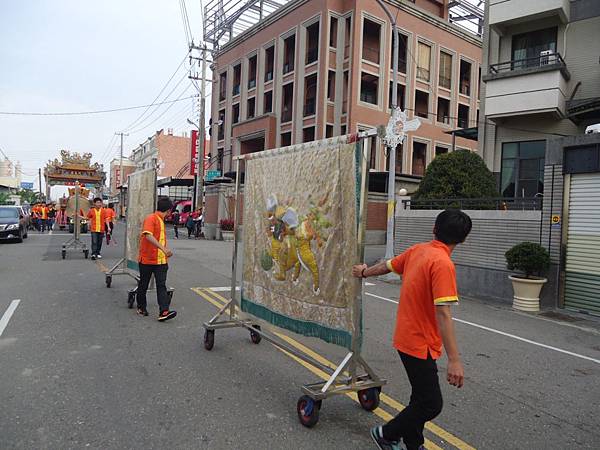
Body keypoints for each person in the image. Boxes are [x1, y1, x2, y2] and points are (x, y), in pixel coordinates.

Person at [352, 209, 472, 450]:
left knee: (420, 397)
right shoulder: (443, 264)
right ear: (463, 239)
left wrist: (364, 272)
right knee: (431, 404)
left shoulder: (419, 251)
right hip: (420, 344)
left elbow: (387, 266)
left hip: (405, 338)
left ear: (434, 230)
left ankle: (413, 442)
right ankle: (386, 433)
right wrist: (455, 360)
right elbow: (443, 313)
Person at [136, 197, 176, 321]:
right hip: (147, 259)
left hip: (161, 261)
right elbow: (148, 235)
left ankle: (164, 311)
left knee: (161, 285)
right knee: (144, 284)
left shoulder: (160, 220)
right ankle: (141, 307)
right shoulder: (151, 218)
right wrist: (163, 249)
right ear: (169, 211)